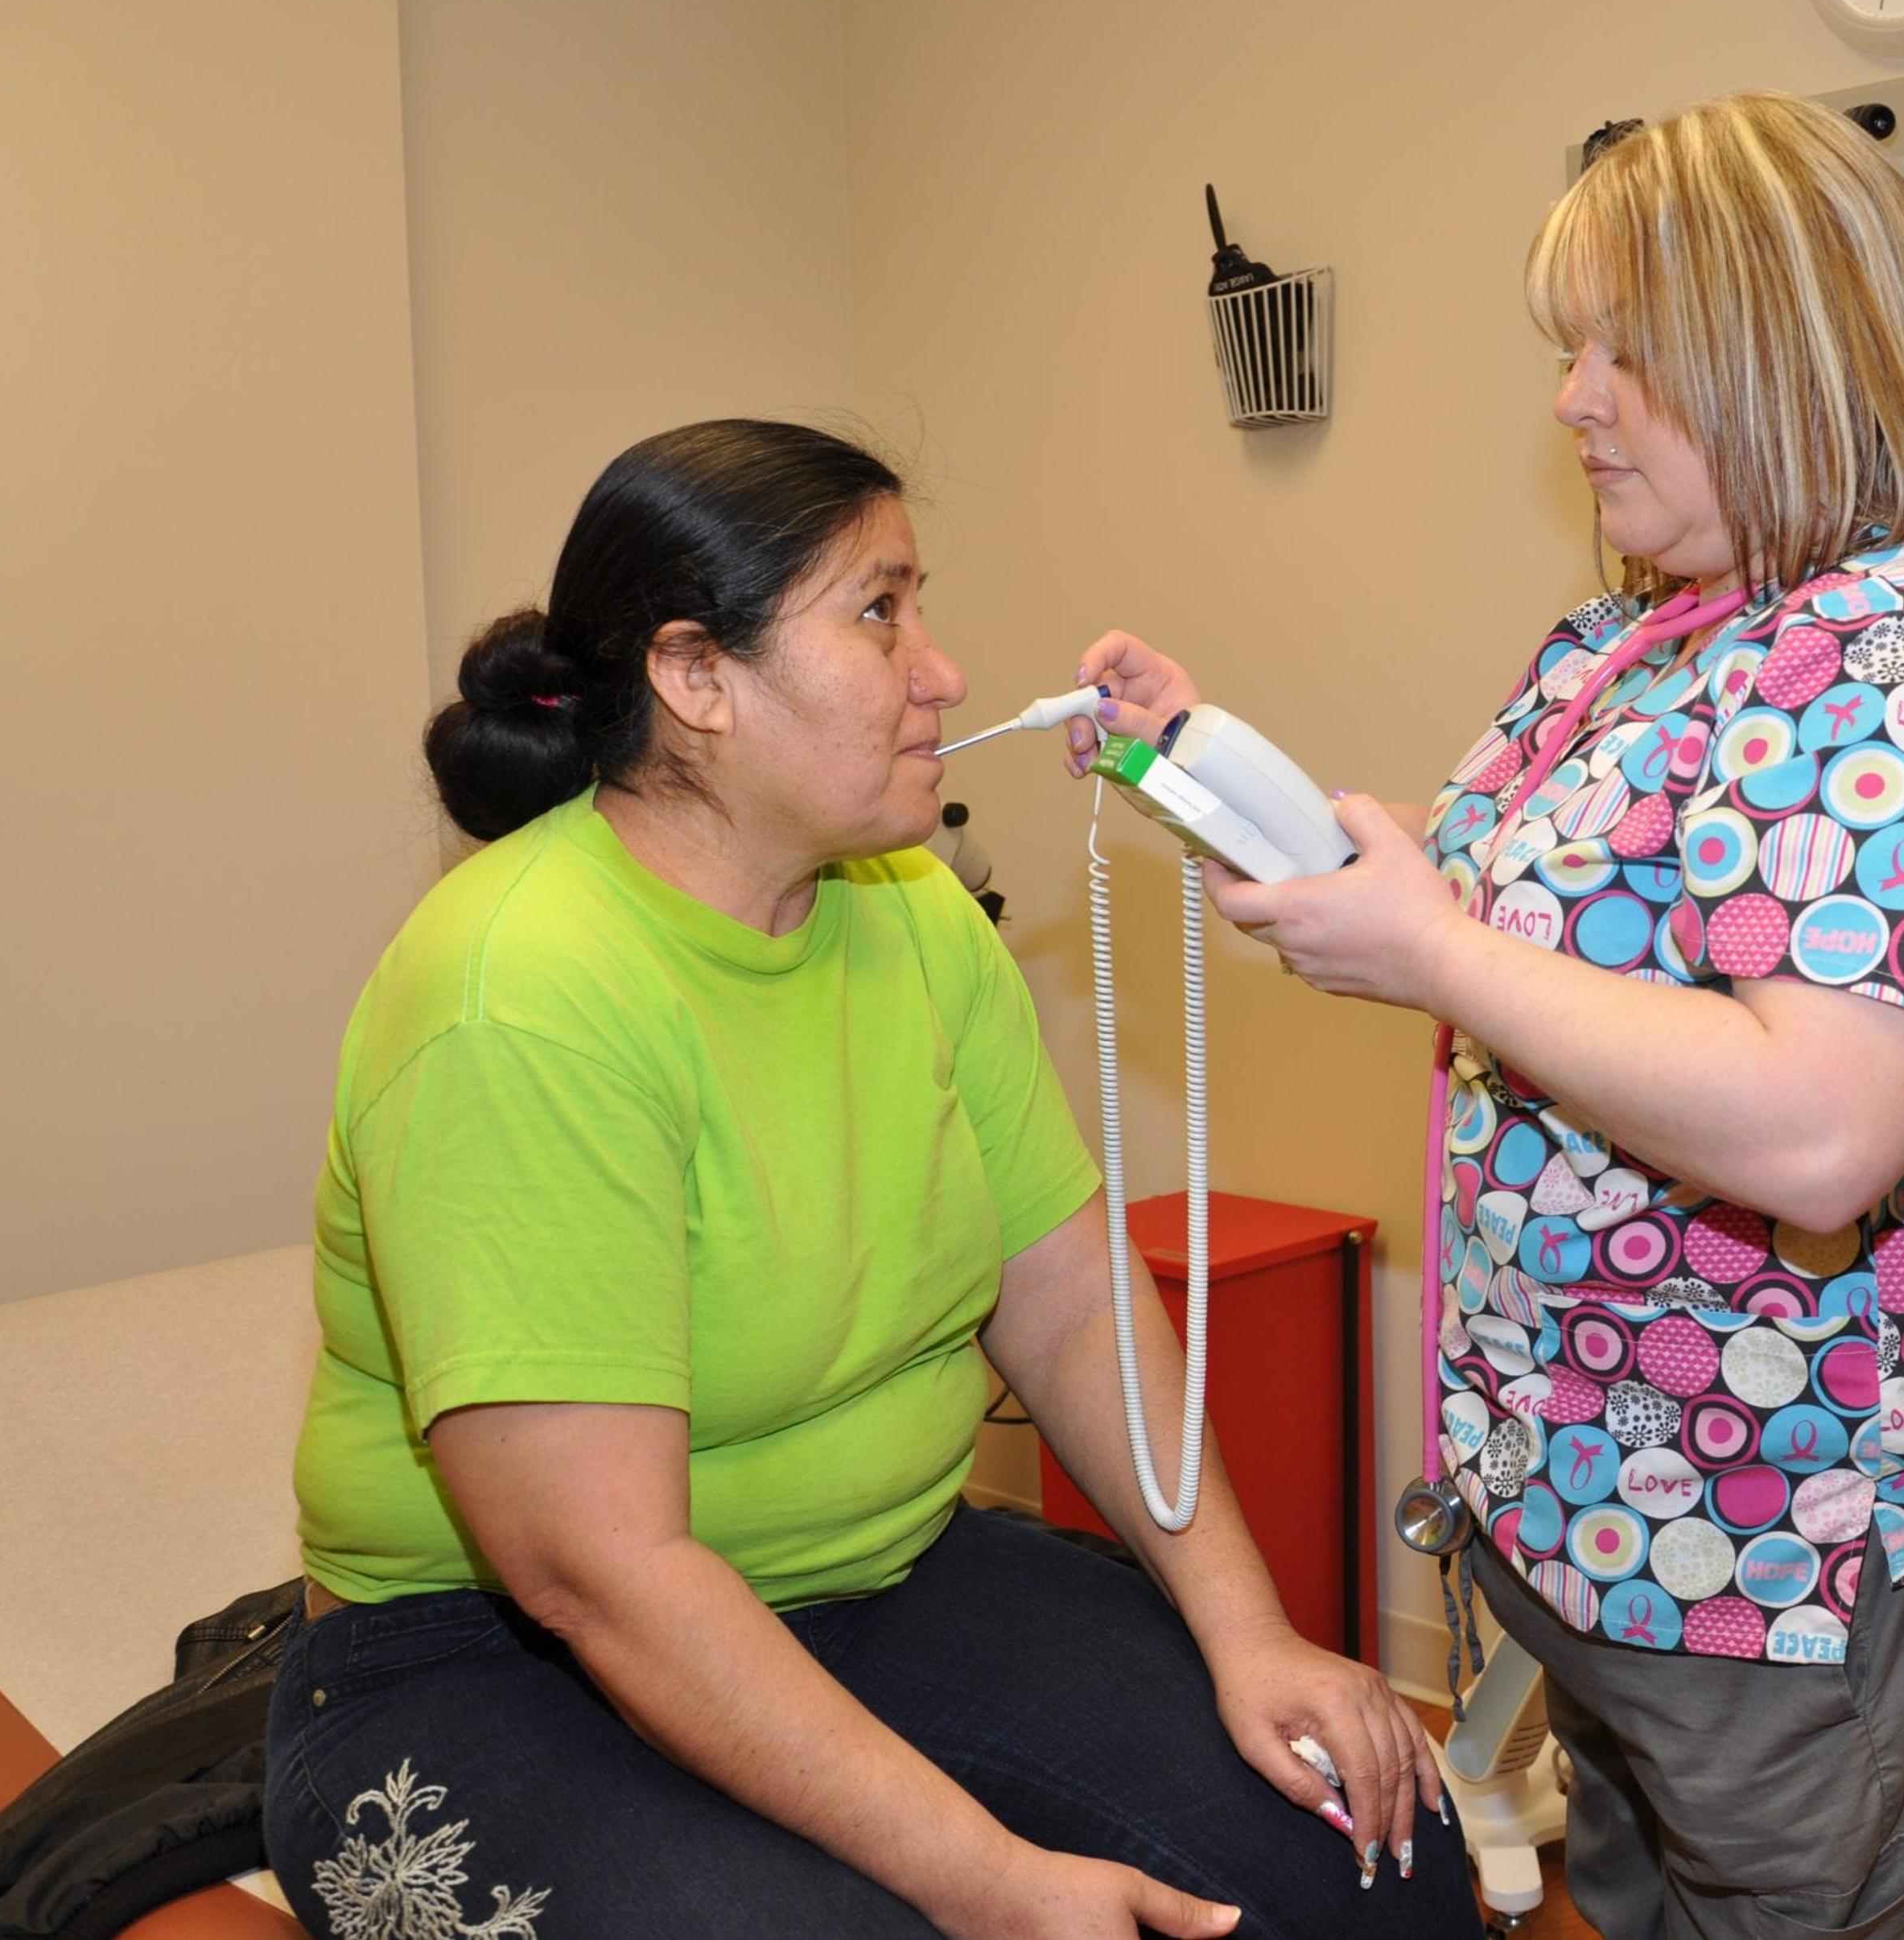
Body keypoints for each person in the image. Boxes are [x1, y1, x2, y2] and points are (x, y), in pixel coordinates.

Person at [1069, 93, 1904, 1939]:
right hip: (1627, 1528)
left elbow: (1821, 1136)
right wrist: (1220, 782)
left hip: (1820, 1558)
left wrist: (1432, 955)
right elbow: (1524, 893)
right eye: (1570, 350)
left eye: (1624, 353)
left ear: (1783, 362)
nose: (1571, 399)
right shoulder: (1649, 636)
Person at [266, 420, 1477, 1940]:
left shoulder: (905, 904)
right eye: (880, 611)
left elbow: (1065, 1300)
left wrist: (1256, 1635)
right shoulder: (519, 996)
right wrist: (997, 1882)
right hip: (483, 1661)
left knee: (1374, 1865)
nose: (945, 669)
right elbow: (600, 1574)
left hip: (886, 1576)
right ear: (695, 676)